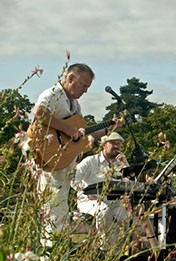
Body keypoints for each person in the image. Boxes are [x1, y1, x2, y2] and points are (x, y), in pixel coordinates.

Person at [32, 63, 108, 247]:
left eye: (87, 87)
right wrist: (68, 129)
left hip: (63, 165)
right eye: (83, 85)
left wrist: (107, 129)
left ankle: (55, 258)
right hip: (49, 161)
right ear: (70, 78)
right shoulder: (53, 94)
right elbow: (39, 112)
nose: (85, 91)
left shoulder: (75, 105)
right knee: (53, 214)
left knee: (60, 214)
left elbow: (80, 137)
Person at [71, 132, 130, 249]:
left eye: (119, 144)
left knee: (130, 220)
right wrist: (87, 192)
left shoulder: (119, 164)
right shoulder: (90, 161)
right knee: (104, 212)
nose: (117, 146)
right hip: (88, 201)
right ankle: (104, 249)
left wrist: (125, 164)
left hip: (112, 202)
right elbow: (73, 179)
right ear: (104, 145)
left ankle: (115, 251)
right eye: (113, 143)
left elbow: (129, 184)